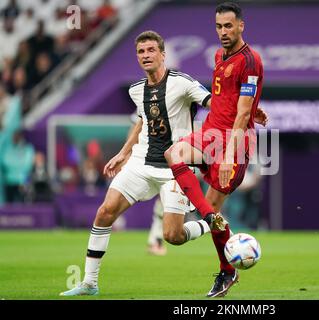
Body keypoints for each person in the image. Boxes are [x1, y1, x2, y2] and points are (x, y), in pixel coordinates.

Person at [59, 30, 268, 297]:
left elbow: (216, 104)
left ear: (162, 54)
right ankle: (89, 282)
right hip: (141, 163)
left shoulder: (182, 82)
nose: (146, 56)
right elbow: (141, 120)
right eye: (141, 52)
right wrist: (124, 153)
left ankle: (212, 221)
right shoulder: (136, 90)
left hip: (175, 171)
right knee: (104, 212)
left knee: (173, 236)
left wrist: (248, 110)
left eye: (150, 51)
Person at [165, 2, 266, 298]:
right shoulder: (220, 55)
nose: (223, 32)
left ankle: (227, 270)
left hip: (232, 143)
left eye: (228, 26)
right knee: (174, 154)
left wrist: (229, 156)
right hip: (209, 132)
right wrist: (255, 109)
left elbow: (243, 111)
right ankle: (209, 218)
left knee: (212, 206)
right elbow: (233, 99)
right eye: (219, 26)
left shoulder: (251, 61)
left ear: (241, 26)